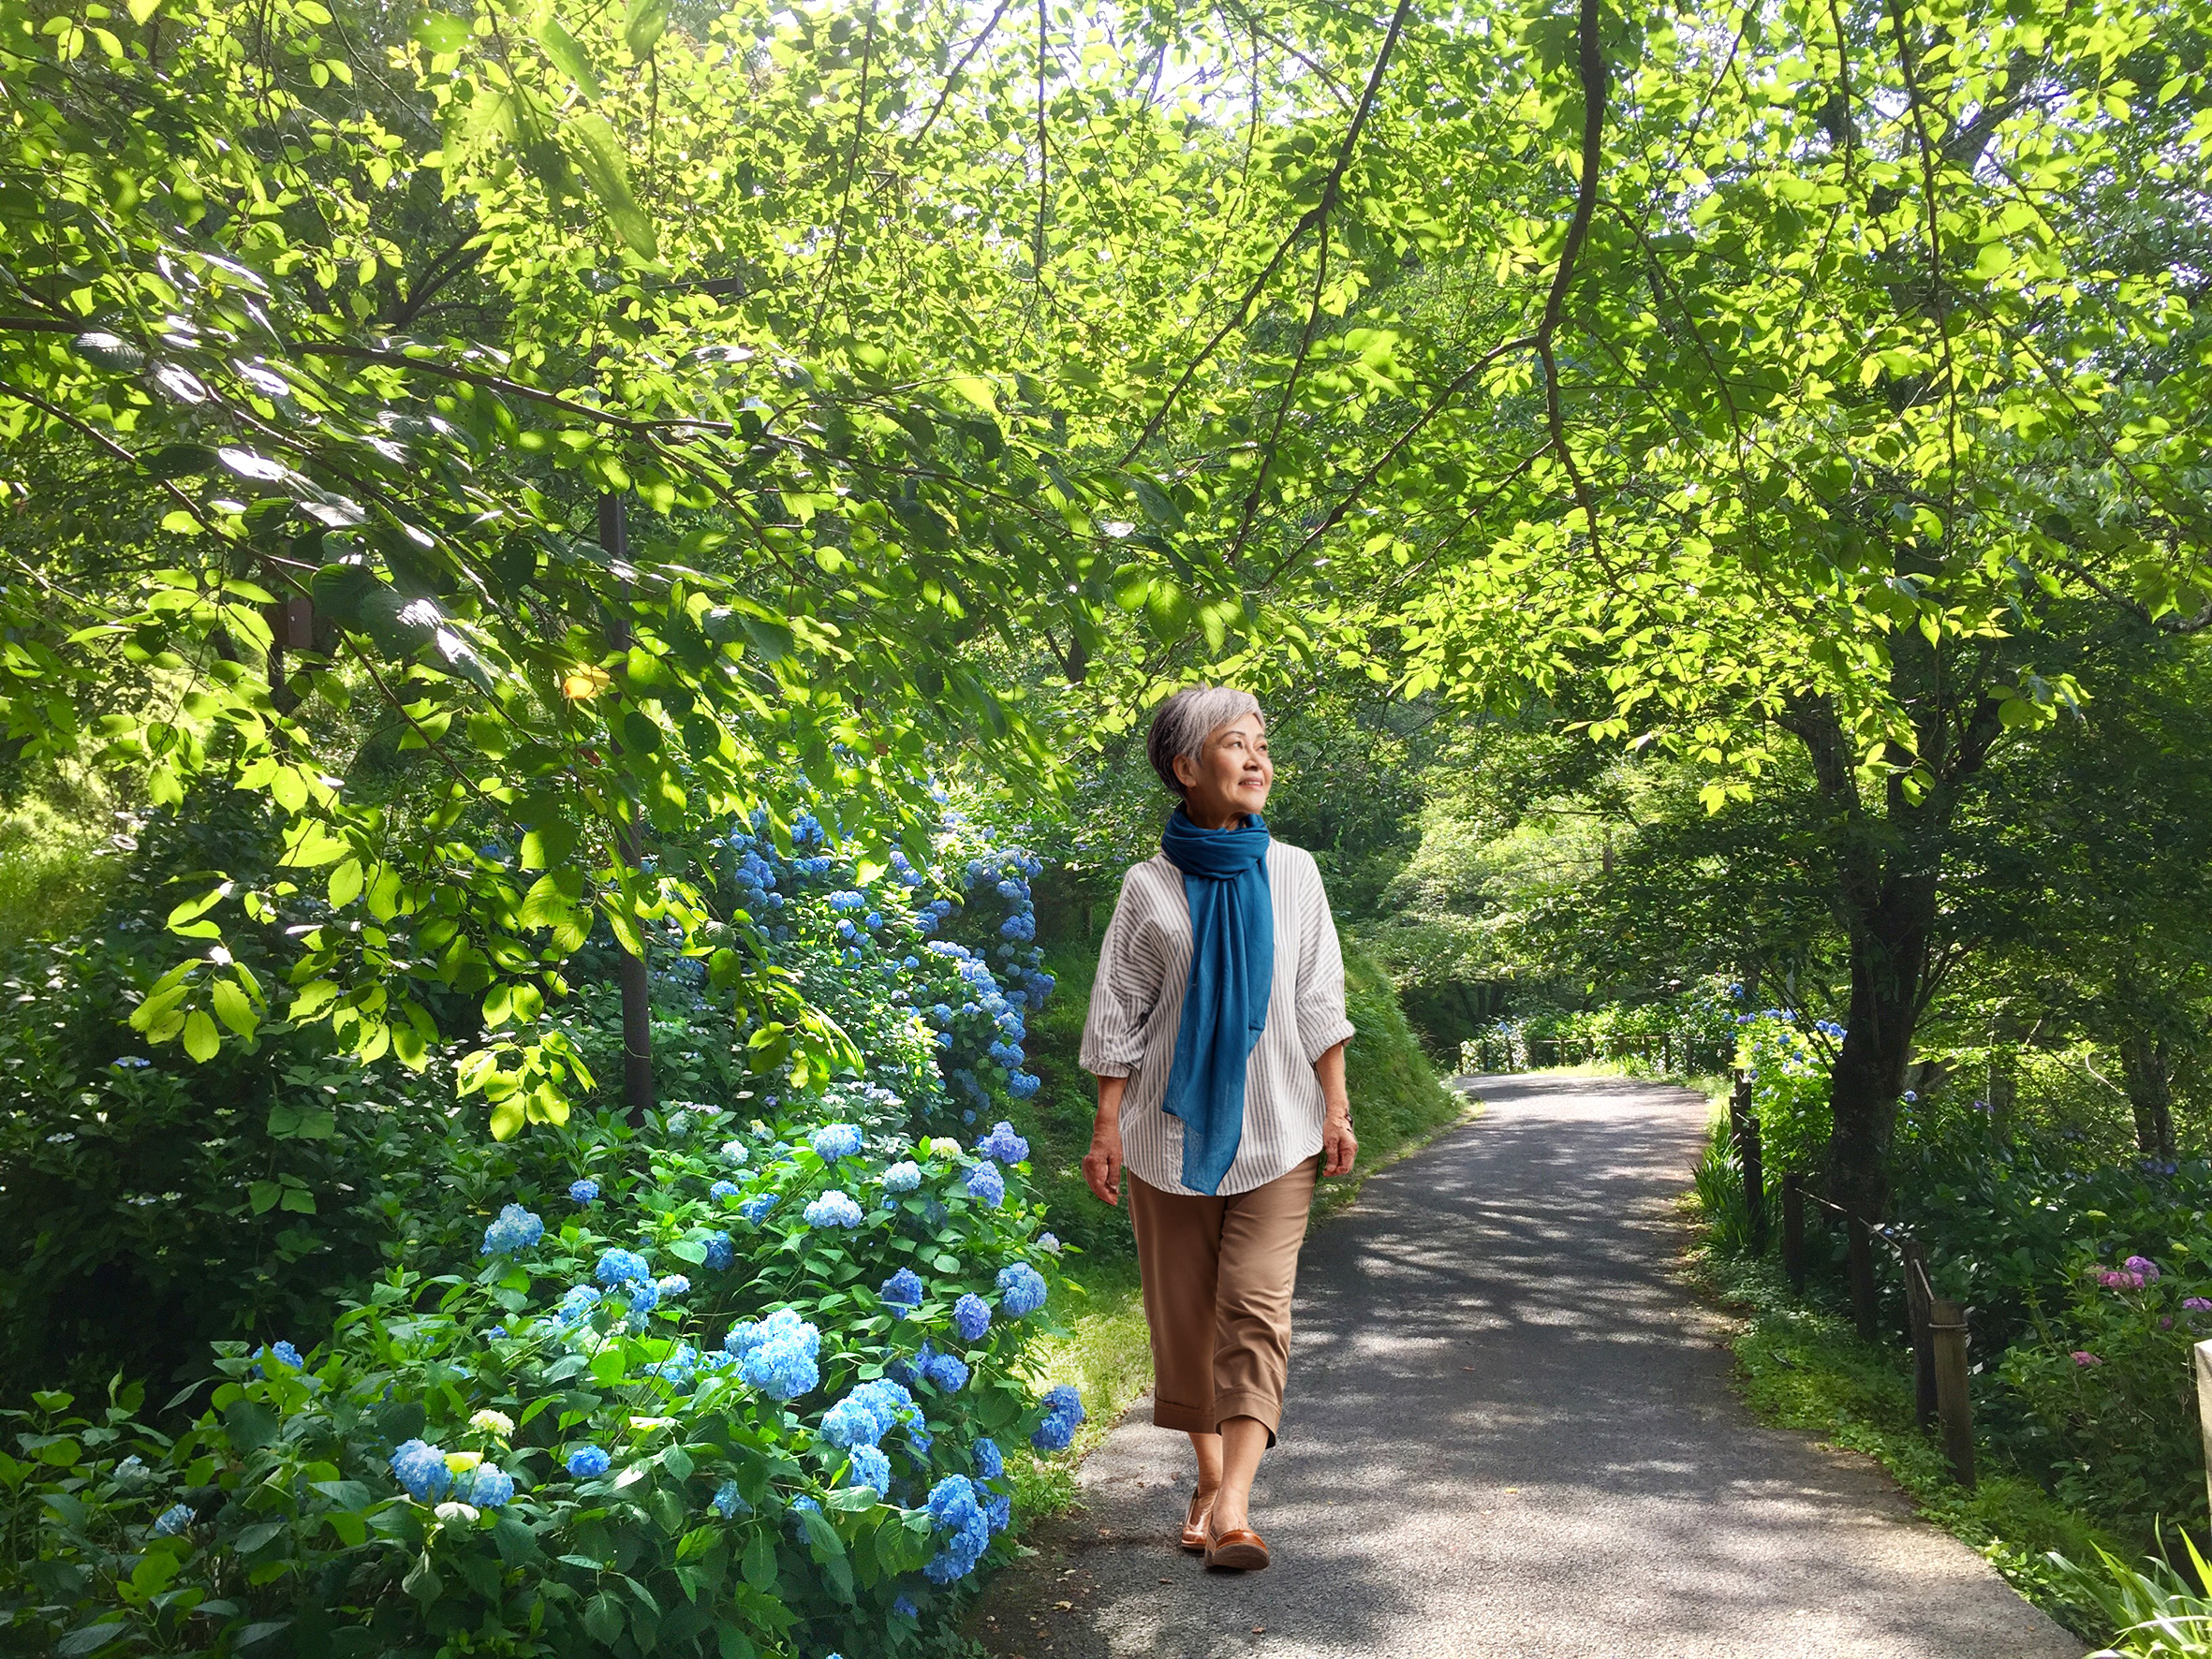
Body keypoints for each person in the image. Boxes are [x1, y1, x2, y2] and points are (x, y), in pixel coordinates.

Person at [1078, 684, 1357, 1572]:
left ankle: (1236, 1505)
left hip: (1281, 1129)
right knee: (1185, 1321)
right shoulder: (1148, 886)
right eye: (1236, 744)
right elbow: (1120, 1012)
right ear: (1185, 766)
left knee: (1255, 1307)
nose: (1258, 759)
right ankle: (1207, 1478)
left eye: (1262, 743)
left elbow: (1318, 998)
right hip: (1167, 1134)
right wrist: (1107, 1125)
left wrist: (1337, 1105)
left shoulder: (1296, 873)